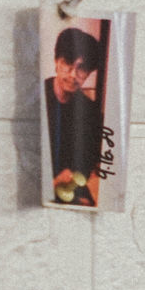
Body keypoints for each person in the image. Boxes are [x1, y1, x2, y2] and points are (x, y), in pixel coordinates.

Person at [44, 27, 103, 206]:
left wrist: (72, 179)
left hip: (71, 187)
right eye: (67, 63)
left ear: (89, 73)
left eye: (82, 68)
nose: (73, 75)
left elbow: (87, 162)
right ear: (56, 62)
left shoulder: (91, 112)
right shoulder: (36, 98)